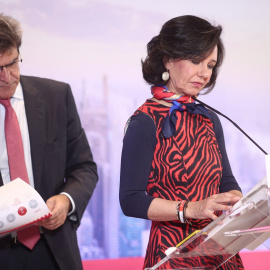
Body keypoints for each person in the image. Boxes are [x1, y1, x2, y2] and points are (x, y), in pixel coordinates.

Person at [120, 15, 244, 270]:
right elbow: (130, 200)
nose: (204, 74)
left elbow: (226, 180)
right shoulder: (144, 121)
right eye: (196, 61)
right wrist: (191, 209)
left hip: (221, 251)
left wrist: (238, 201)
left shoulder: (209, 118)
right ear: (168, 59)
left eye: (210, 65)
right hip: (172, 254)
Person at [0, 13, 98, 270]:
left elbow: (84, 167)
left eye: (12, 64)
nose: (7, 77)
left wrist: (66, 200)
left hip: (53, 250)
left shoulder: (57, 96)